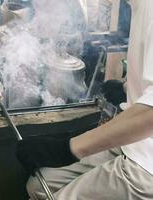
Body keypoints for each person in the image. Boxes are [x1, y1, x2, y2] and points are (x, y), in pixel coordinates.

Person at [16, 0, 153, 199]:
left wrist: (68, 148)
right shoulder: (138, 5)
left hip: (146, 164)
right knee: (39, 185)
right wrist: (125, 87)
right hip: (132, 144)